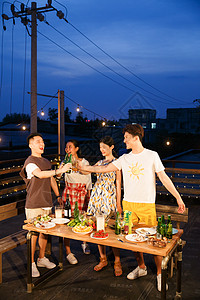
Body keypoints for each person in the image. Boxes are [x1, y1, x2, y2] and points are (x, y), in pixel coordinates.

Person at [78, 124, 185, 291]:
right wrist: (84, 167)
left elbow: (164, 178)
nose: (124, 140)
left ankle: (159, 274)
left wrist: (178, 198)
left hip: (147, 205)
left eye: (126, 137)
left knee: (153, 242)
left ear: (136, 137)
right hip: (129, 204)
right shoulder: (124, 159)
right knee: (132, 241)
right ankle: (141, 267)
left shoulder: (152, 155)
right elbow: (103, 168)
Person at [20, 133, 71, 277]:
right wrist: (59, 170)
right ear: (30, 145)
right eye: (37, 142)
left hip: (47, 202)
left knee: (45, 232)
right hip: (34, 203)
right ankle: (31, 264)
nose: (41, 144)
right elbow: (40, 175)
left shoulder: (46, 162)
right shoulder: (29, 162)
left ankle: (42, 258)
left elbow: (51, 179)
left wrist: (58, 195)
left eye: (42, 141)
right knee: (33, 234)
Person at [87, 136, 122, 276]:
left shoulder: (117, 163)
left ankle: (117, 261)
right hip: (97, 197)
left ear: (111, 147)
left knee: (112, 231)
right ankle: (103, 258)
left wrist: (118, 203)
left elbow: (118, 184)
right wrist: (76, 165)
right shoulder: (99, 162)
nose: (101, 150)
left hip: (109, 196)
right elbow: (88, 170)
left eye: (104, 147)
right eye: (100, 148)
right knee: (98, 228)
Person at [61, 139, 92, 263]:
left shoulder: (84, 162)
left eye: (70, 147)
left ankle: (84, 242)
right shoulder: (64, 162)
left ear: (76, 149)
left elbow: (88, 178)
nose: (67, 149)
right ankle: (68, 252)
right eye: (66, 147)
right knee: (67, 220)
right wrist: (62, 168)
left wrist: (89, 193)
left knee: (83, 218)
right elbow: (58, 176)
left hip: (82, 192)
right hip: (69, 192)